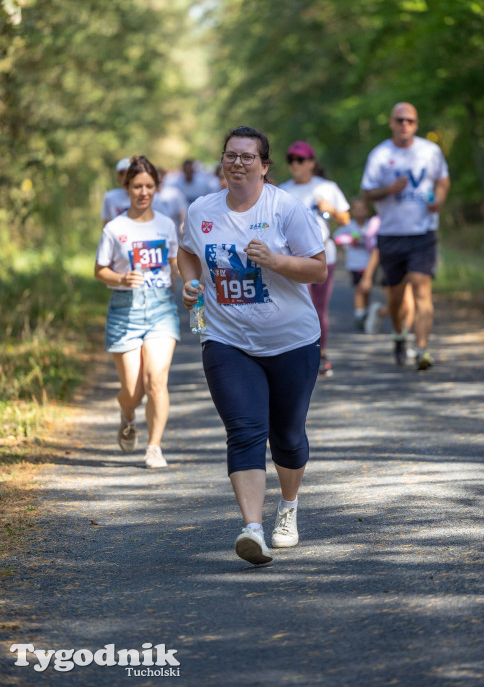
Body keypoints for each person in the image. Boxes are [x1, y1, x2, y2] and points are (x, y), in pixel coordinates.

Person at [177, 126, 326, 566]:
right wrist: (188, 282)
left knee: (288, 436)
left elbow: (317, 270)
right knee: (244, 431)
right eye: (230, 155)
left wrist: (275, 260)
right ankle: (252, 529)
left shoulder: (286, 209)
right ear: (222, 162)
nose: (237, 163)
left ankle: (288, 507)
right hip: (226, 340)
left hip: (292, 342)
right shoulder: (201, 210)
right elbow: (186, 253)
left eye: (247, 157)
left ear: (264, 166)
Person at [95, 155, 180, 468]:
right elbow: (99, 270)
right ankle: (128, 414)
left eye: (149, 186)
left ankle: (154, 447)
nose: (143, 192)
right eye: (137, 186)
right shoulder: (115, 229)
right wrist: (121, 278)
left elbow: (174, 262)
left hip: (160, 307)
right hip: (124, 308)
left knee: (156, 378)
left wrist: (190, 279)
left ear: (156, 188)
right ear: (126, 187)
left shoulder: (166, 224)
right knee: (133, 390)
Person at [361, 102, 450, 370]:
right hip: (390, 234)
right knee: (396, 297)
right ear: (391, 123)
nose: (404, 125)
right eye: (399, 120)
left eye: (409, 121)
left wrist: (440, 200)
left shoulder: (430, 151)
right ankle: (399, 335)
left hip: (422, 231)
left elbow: (442, 180)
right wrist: (389, 188)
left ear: (416, 124)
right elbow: (366, 193)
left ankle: (422, 349)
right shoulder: (379, 155)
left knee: (422, 290)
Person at [280, 141, 350, 377]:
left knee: (319, 308)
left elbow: (345, 220)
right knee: (298, 306)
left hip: (323, 254)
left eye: (300, 160)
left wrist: (328, 209)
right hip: (293, 257)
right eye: (291, 160)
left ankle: (320, 354)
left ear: (311, 162)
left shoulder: (326, 187)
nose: (295, 164)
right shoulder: (283, 191)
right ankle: (297, 353)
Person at [333, 198, 380, 331]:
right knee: (360, 288)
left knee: (367, 290)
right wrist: (349, 240)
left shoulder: (371, 225)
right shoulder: (348, 225)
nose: (360, 211)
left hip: (370, 263)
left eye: (363, 209)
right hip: (354, 264)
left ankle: (365, 311)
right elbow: (336, 238)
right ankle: (359, 314)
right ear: (352, 211)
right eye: (357, 209)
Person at [101, 158, 131, 225]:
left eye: (128, 173)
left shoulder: (148, 197)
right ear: (118, 178)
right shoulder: (110, 197)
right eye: (121, 174)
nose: (125, 177)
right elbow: (106, 222)